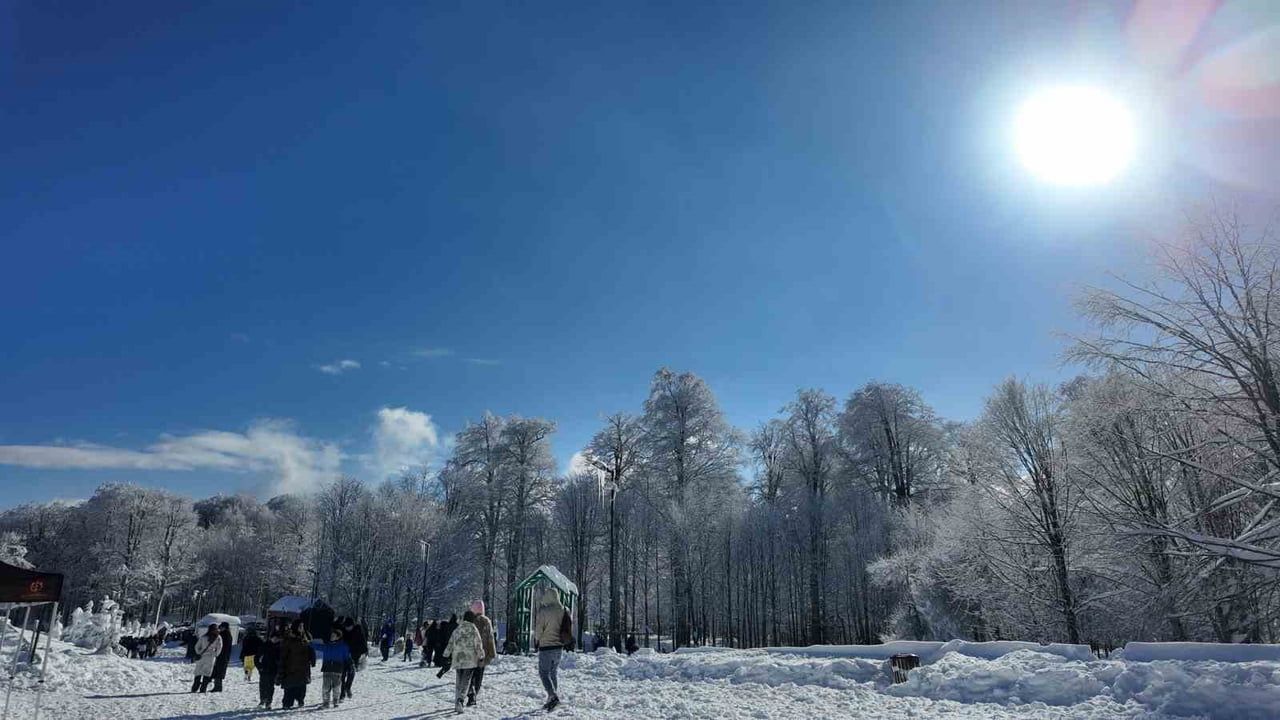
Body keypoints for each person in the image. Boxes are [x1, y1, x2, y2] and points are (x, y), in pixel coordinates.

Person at [533, 587, 571, 711]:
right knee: (553, 672)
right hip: (559, 646)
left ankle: (552, 696)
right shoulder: (564, 609)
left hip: (546, 646)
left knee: (544, 673)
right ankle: (551, 700)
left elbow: (539, 629)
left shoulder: (544, 611)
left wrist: (537, 640)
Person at [444, 610, 484, 715]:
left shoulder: (458, 628)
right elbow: (478, 644)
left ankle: (457, 701)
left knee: (459, 680)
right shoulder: (474, 629)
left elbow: (451, 642)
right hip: (470, 660)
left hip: (458, 658)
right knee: (466, 681)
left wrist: (446, 654)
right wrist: (481, 656)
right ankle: (460, 701)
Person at [467, 600, 497, 707]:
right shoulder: (486, 621)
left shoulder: (469, 620)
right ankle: (475, 690)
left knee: (469, 674)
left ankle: (470, 691)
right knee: (479, 674)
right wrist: (492, 652)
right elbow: (490, 638)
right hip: (482, 653)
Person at [279, 623, 315, 709]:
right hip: (291, 666)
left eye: (302, 626)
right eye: (300, 626)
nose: (301, 628)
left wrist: (312, 659)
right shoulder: (289, 638)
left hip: (303, 667)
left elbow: (310, 649)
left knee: (301, 686)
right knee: (289, 687)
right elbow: (283, 653)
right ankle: (287, 703)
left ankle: (300, 700)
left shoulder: (306, 637)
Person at [321, 626, 353, 708]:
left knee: (336, 687)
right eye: (331, 635)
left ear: (338, 637)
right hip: (327, 669)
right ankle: (326, 702)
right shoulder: (327, 645)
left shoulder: (343, 646)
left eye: (333, 635)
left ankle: (336, 701)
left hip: (337, 670)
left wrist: (350, 666)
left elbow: (347, 658)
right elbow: (318, 646)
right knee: (325, 687)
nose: (331, 637)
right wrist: (309, 643)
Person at [189, 625, 222, 693]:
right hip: (210, 657)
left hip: (202, 656)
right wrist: (215, 654)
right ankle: (203, 688)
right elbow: (219, 647)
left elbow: (197, 646)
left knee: (198, 672)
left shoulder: (203, 637)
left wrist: (199, 652)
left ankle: (195, 687)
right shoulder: (218, 637)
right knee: (207, 673)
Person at [341, 617, 367, 700]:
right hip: (344, 655)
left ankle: (348, 687)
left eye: (348, 626)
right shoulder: (344, 631)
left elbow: (363, 642)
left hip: (355, 655)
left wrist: (364, 652)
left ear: (352, 625)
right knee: (342, 674)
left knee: (351, 673)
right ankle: (342, 693)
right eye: (346, 627)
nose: (347, 628)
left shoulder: (358, 630)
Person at [255, 631, 282, 709]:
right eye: (274, 638)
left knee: (270, 687)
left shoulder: (280, 647)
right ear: (270, 638)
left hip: (274, 670)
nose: (275, 639)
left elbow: (282, 659)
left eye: (277, 638)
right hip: (264, 669)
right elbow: (257, 657)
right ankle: (262, 700)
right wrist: (259, 667)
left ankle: (268, 702)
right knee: (263, 685)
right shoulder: (265, 645)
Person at [211, 622, 233, 692]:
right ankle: (217, 686)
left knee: (219, 672)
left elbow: (223, 646)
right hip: (222, 655)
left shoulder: (225, 635)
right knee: (217, 671)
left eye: (221, 627)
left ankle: (218, 687)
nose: (220, 628)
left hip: (223, 656)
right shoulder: (226, 634)